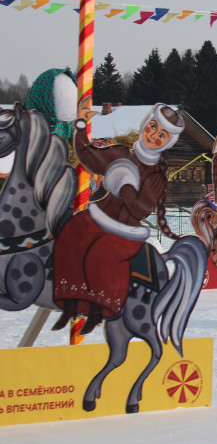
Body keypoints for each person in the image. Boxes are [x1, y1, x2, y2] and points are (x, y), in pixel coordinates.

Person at [52, 103, 185, 334]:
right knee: (71, 231)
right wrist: (81, 125)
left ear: (167, 142)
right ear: (145, 125)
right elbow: (89, 157)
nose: (154, 135)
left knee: (100, 252)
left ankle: (99, 309)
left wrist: (126, 186)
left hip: (125, 230)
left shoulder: (156, 176)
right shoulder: (122, 154)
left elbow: (142, 210)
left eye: (162, 135)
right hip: (99, 216)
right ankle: (70, 302)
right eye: (153, 127)